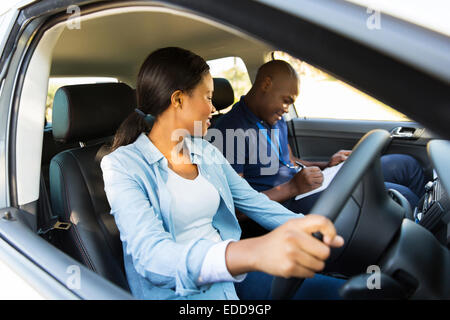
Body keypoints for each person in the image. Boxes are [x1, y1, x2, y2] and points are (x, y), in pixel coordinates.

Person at [101, 47, 345, 300]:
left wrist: (304, 225)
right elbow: (152, 258)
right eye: (207, 98)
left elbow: (255, 202)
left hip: (231, 274)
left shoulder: (204, 150)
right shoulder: (121, 166)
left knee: (342, 294)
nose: (214, 109)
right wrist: (250, 253)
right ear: (178, 100)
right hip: (182, 293)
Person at [212, 60, 426, 220]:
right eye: (286, 100)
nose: (286, 109)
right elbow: (235, 209)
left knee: (406, 165)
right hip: (284, 204)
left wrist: (326, 165)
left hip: (304, 186)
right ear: (266, 84)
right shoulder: (229, 131)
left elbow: (290, 160)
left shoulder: (274, 118)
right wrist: (291, 188)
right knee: (397, 197)